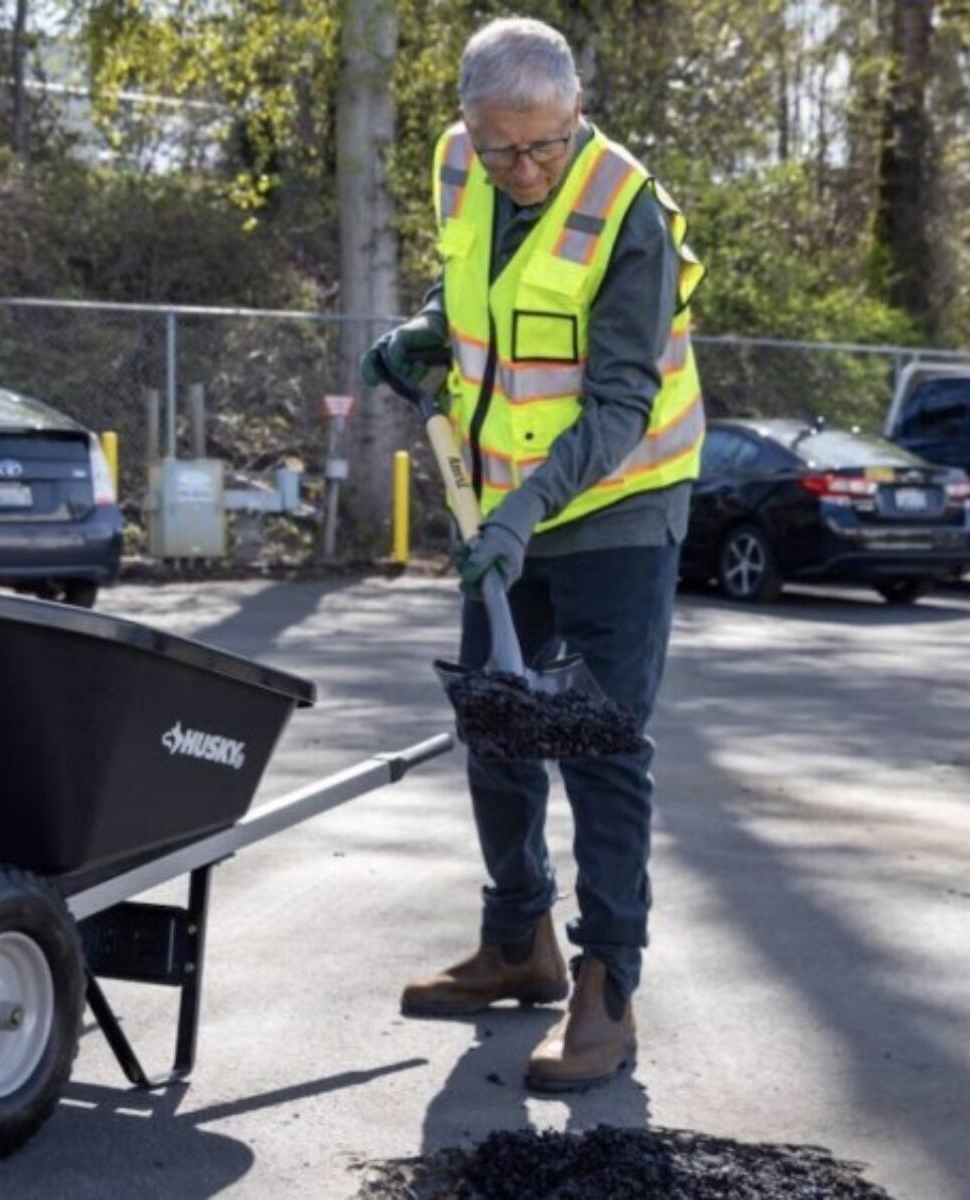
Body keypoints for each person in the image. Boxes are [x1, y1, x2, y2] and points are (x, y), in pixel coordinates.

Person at [361, 15, 706, 1093]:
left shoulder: (626, 211)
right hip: (500, 504)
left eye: (542, 146)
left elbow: (614, 405)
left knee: (598, 744)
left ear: (574, 113)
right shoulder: (460, 166)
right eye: (500, 145)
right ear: (467, 122)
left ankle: (608, 983)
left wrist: (520, 520)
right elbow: (475, 288)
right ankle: (519, 943)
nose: (520, 169)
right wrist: (426, 328)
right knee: (499, 729)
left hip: (616, 508)